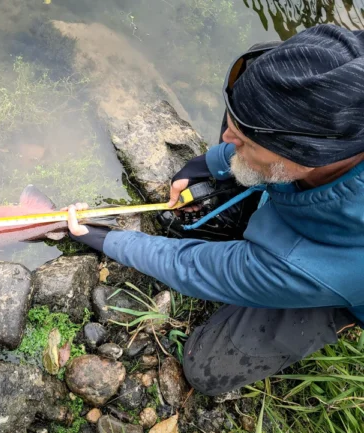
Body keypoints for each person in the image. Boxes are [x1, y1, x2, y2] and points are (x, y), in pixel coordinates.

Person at [64, 23, 364, 396]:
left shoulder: (321, 260)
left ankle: (340, 312)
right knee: (251, 123)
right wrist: (209, 163)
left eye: (243, 141)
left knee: (205, 367)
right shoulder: (351, 91)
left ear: (304, 158)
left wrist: (108, 238)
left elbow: (194, 267)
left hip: (338, 276)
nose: (226, 137)